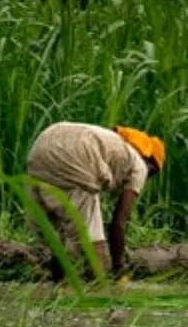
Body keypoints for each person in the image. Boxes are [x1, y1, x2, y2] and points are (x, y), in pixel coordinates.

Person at [24, 121, 165, 282]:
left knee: (59, 236)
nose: (146, 177)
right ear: (147, 159)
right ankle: (100, 288)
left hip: (42, 145)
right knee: (92, 240)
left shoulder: (110, 144)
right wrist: (119, 270)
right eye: (152, 172)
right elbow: (118, 223)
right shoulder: (138, 164)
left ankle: (56, 285)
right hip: (76, 154)